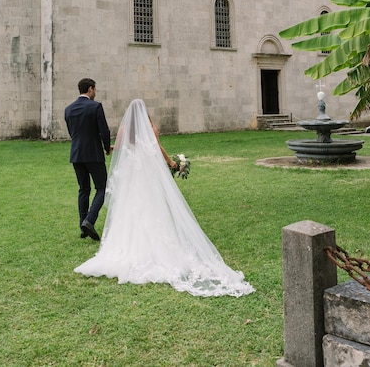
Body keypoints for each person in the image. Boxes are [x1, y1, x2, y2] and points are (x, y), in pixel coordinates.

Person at [74, 99, 254, 297]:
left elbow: (119, 146)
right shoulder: (151, 127)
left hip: (131, 177)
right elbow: (156, 148)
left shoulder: (125, 129)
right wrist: (172, 162)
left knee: (129, 208)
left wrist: (109, 148)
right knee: (152, 207)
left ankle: (125, 246)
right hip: (146, 175)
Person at [65, 78, 112, 241]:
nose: (95, 92)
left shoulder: (68, 109)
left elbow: (72, 133)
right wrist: (107, 148)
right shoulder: (96, 106)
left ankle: (83, 226)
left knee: (83, 189)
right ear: (90, 89)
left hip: (76, 154)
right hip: (93, 154)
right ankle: (89, 220)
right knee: (102, 187)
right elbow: (104, 131)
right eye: (95, 89)